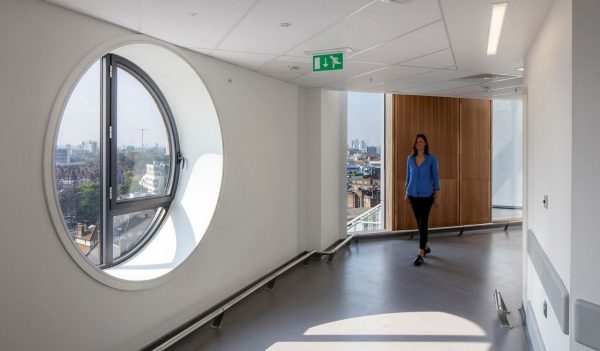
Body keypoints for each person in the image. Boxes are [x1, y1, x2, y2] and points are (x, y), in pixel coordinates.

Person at [404, 134, 440, 266]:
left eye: (421, 141)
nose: (419, 143)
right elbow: (408, 177)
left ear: (425, 144)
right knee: (419, 223)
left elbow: (435, 178)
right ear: (415, 144)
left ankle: (420, 253)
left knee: (423, 222)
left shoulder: (432, 159)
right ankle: (426, 246)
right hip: (413, 194)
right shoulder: (410, 159)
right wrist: (406, 193)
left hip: (427, 195)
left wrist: (436, 197)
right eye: (417, 142)